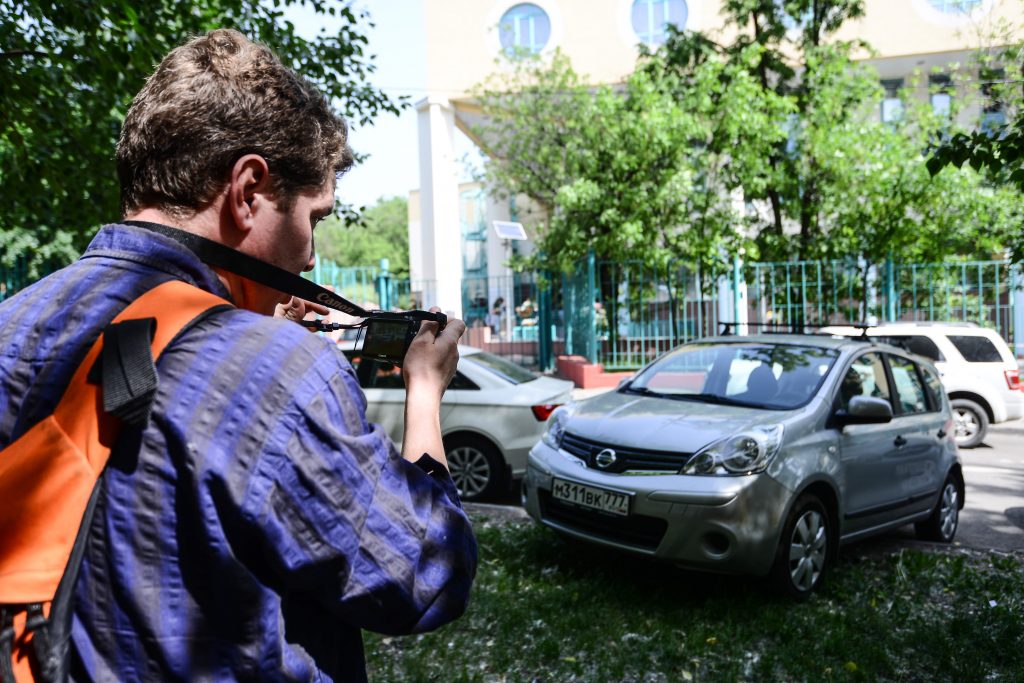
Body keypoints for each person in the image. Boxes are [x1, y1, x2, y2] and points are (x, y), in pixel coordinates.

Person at [0, 29, 475, 681]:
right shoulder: (276, 373)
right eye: (316, 217)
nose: (310, 256)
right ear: (249, 189)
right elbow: (425, 576)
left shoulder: (15, 322)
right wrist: (423, 394)